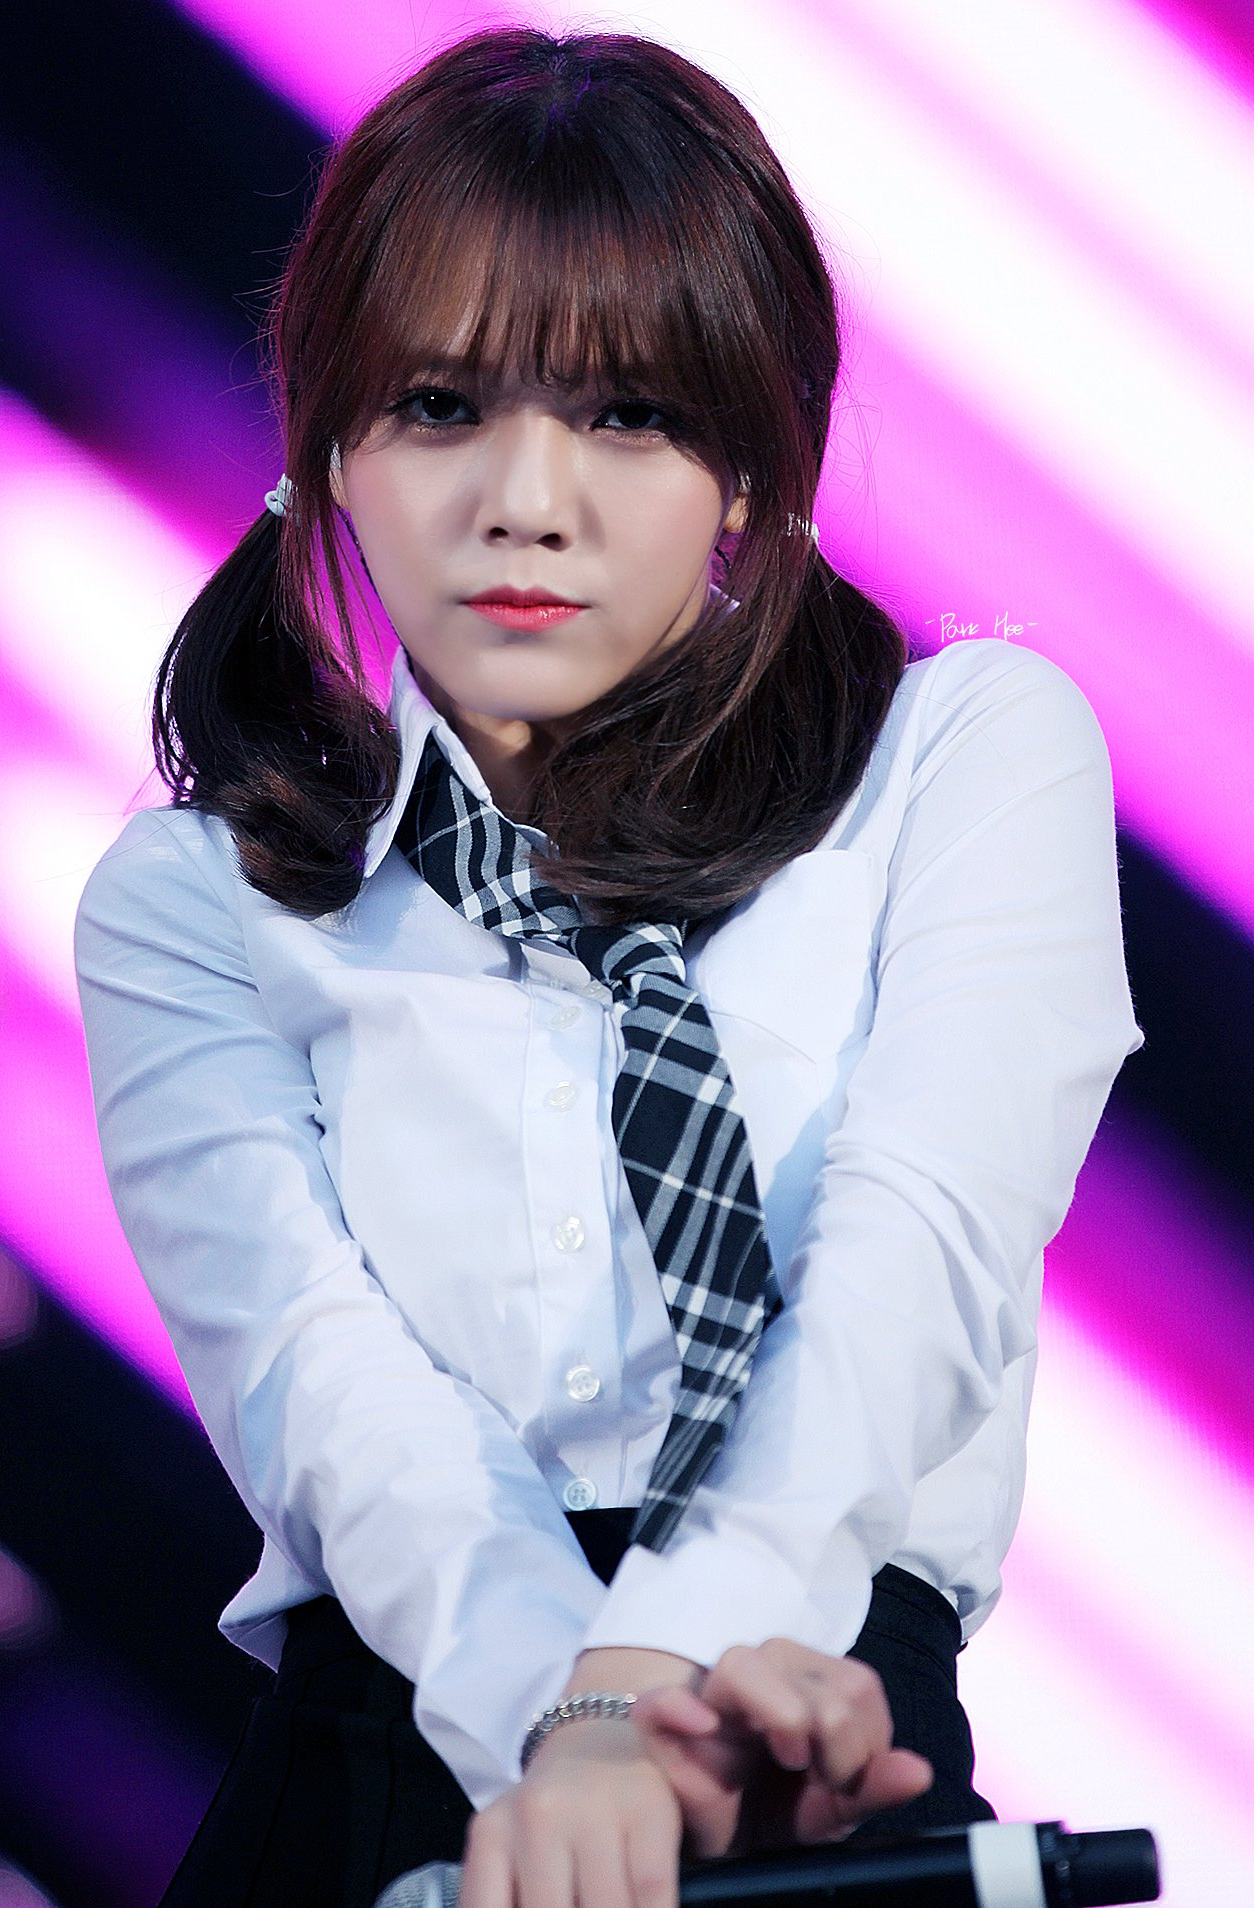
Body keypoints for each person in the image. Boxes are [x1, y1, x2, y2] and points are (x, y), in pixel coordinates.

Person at [72, 24, 1145, 1908]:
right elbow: (335, 1409)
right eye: (437, 405)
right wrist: (575, 1735)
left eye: (629, 415)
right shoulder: (199, 900)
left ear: (747, 468)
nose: (527, 498)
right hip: (389, 1782)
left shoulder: (962, 760)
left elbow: (918, 1265)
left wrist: (656, 1685)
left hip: (821, 1741)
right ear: (329, 451)